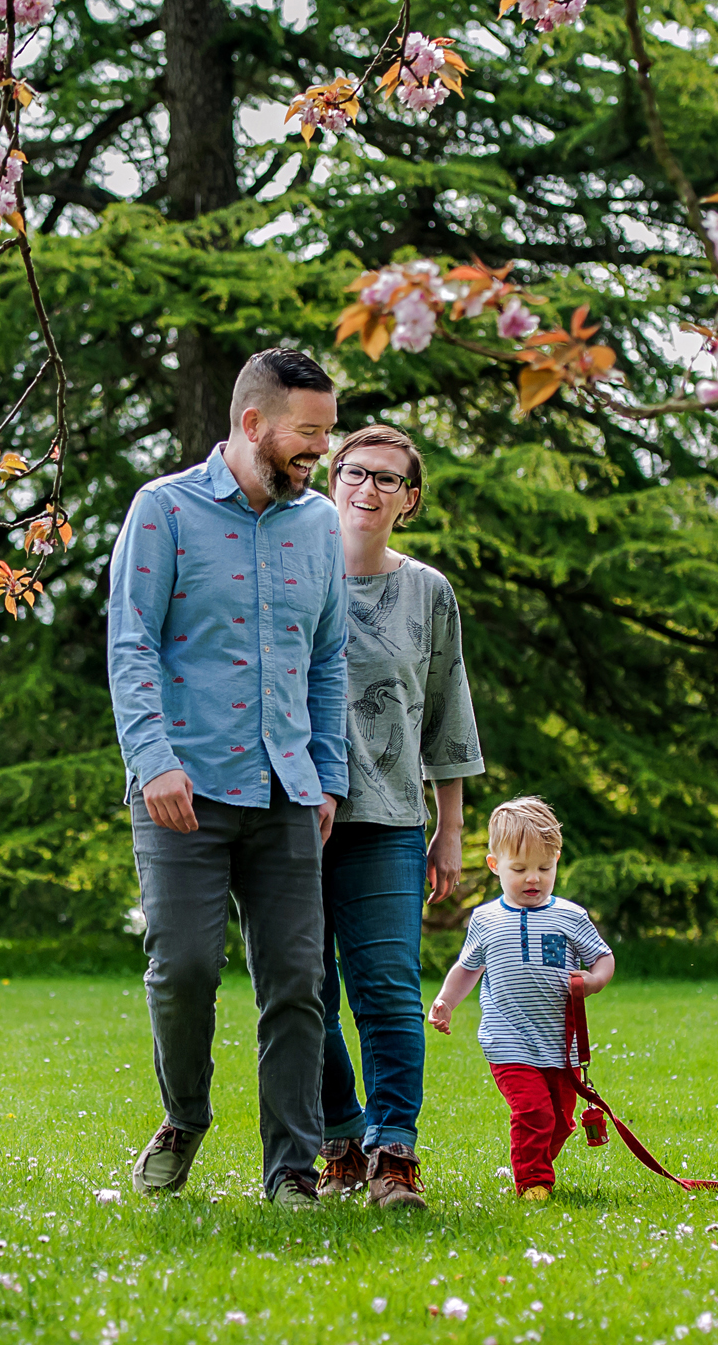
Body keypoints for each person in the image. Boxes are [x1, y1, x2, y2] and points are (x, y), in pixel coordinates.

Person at [105, 347, 350, 1208]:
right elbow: (130, 642)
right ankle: (185, 1116)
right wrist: (153, 761)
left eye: (326, 431)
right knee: (184, 970)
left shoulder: (317, 524)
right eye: (308, 433)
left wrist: (327, 777)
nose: (321, 450)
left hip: (287, 792)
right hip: (182, 791)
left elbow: (327, 658)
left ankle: (291, 1167)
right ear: (254, 424)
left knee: (296, 984)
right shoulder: (162, 510)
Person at [312, 424, 484, 1209]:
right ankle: (340, 1137)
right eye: (354, 472)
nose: (367, 489)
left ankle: (393, 1154)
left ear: (409, 499)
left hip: (388, 822)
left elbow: (447, 712)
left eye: (387, 480)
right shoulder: (290, 571)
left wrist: (449, 826)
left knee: (383, 988)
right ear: (330, 477)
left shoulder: (428, 592)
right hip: (287, 815)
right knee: (299, 990)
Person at [426, 797, 615, 1200]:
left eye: (544, 868)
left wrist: (594, 980)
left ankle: (533, 1161)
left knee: (561, 1121)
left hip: (560, 1045)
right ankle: (532, 1181)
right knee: (533, 1112)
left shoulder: (569, 916)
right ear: (496, 865)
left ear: (556, 862)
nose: (533, 878)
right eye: (520, 869)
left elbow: (603, 957)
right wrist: (446, 1001)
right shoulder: (486, 919)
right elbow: (467, 968)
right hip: (507, 1039)